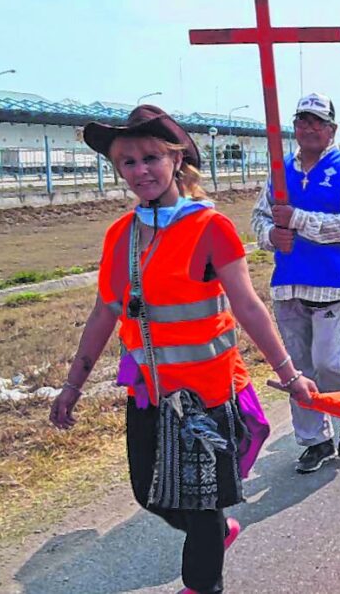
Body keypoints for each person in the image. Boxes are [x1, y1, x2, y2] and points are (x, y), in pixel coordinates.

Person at [50, 105, 318, 594]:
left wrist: (290, 373)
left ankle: (204, 577)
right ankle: (217, 533)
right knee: (149, 494)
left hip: (208, 399)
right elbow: (104, 312)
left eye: (151, 157)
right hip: (152, 394)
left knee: (199, 508)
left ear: (177, 160)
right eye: (127, 162)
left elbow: (249, 306)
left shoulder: (208, 227)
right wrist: (73, 384)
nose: (140, 170)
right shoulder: (120, 236)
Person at [250, 92, 340, 474]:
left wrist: (300, 220)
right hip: (288, 282)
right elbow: (258, 219)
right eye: (303, 120)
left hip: (333, 283)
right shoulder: (279, 171)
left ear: (332, 129)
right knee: (298, 369)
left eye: (317, 122)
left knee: (329, 362)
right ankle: (315, 440)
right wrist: (273, 235)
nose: (309, 128)